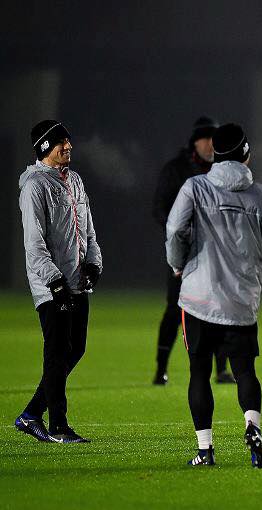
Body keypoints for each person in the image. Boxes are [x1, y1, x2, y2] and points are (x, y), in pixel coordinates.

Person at [166, 123, 262, 467]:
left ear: (215, 154)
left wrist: (178, 263)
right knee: (245, 371)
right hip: (241, 299)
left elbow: (175, 230)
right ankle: (252, 426)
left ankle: (205, 450)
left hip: (199, 298)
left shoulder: (195, 187)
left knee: (199, 373)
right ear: (246, 154)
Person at [15, 120, 103, 443]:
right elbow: (34, 244)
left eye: (67, 140)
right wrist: (54, 282)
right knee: (56, 352)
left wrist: (93, 263)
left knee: (75, 349)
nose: (68, 146)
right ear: (44, 148)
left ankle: (30, 415)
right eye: (60, 142)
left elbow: (88, 230)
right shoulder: (34, 187)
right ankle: (58, 426)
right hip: (52, 287)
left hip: (77, 282)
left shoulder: (74, 180)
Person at [152, 116, 235, 385]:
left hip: (217, 253)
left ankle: (221, 369)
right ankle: (161, 369)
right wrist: (181, 234)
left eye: (214, 140)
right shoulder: (176, 169)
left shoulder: (223, 171)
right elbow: (160, 208)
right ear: (195, 142)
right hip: (184, 253)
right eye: (206, 139)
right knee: (175, 309)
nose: (211, 144)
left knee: (220, 307)